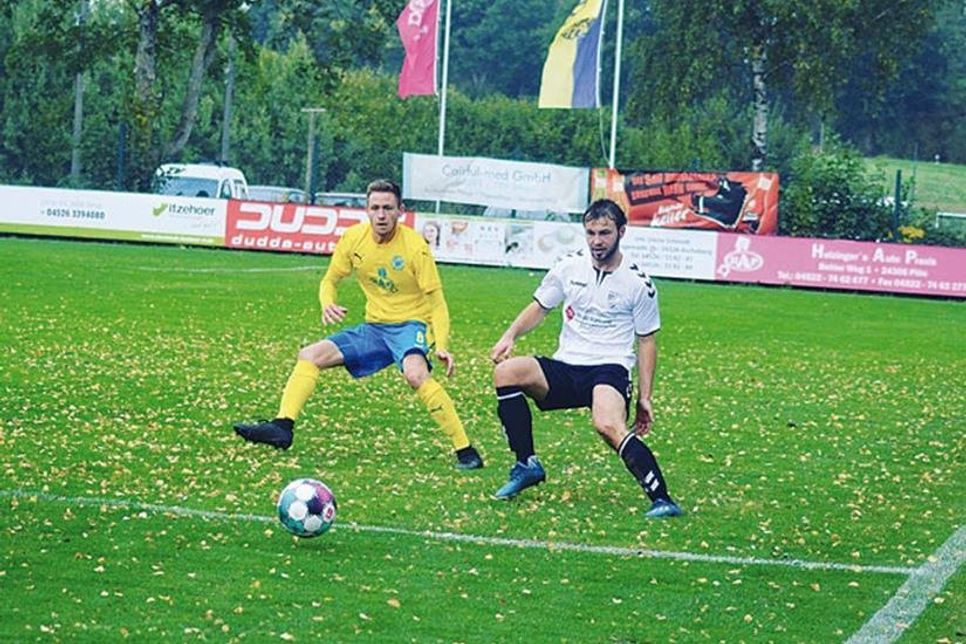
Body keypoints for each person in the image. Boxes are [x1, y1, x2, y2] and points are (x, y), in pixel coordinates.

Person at [234, 179, 484, 470]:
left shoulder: (416, 247)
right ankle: (282, 426)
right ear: (366, 210)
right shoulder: (353, 239)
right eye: (375, 208)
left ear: (400, 211)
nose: (381, 215)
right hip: (375, 328)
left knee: (416, 375)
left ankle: (465, 450)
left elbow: (437, 301)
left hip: (411, 326)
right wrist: (327, 302)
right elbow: (330, 279)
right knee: (310, 355)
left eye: (388, 208)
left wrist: (441, 345)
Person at [488, 198, 682, 518]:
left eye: (604, 233)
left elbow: (647, 341)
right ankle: (526, 465)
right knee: (506, 373)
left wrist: (645, 397)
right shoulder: (569, 265)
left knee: (607, 424)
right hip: (567, 366)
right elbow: (540, 306)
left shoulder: (638, 283)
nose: (596, 241)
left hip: (609, 368)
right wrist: (510, 336)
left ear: (621, 232)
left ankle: (662, 499)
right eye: (590, 233)